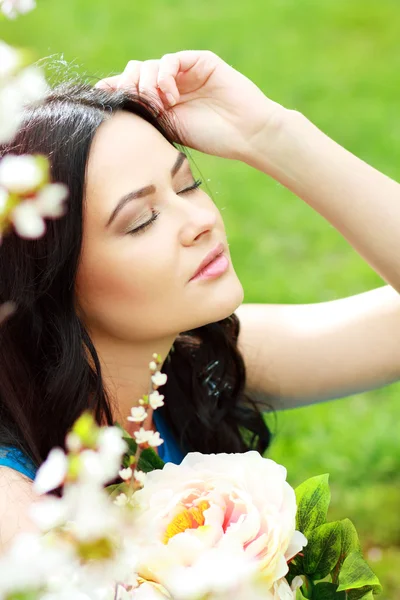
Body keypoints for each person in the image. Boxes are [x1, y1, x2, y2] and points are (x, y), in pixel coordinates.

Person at [1, 50, 400, 551]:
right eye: (141, 220)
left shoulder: (195, 364)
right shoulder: (17, 513)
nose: (200, 221)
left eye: (187, 184)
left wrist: (271, 134)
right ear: (47, 281)